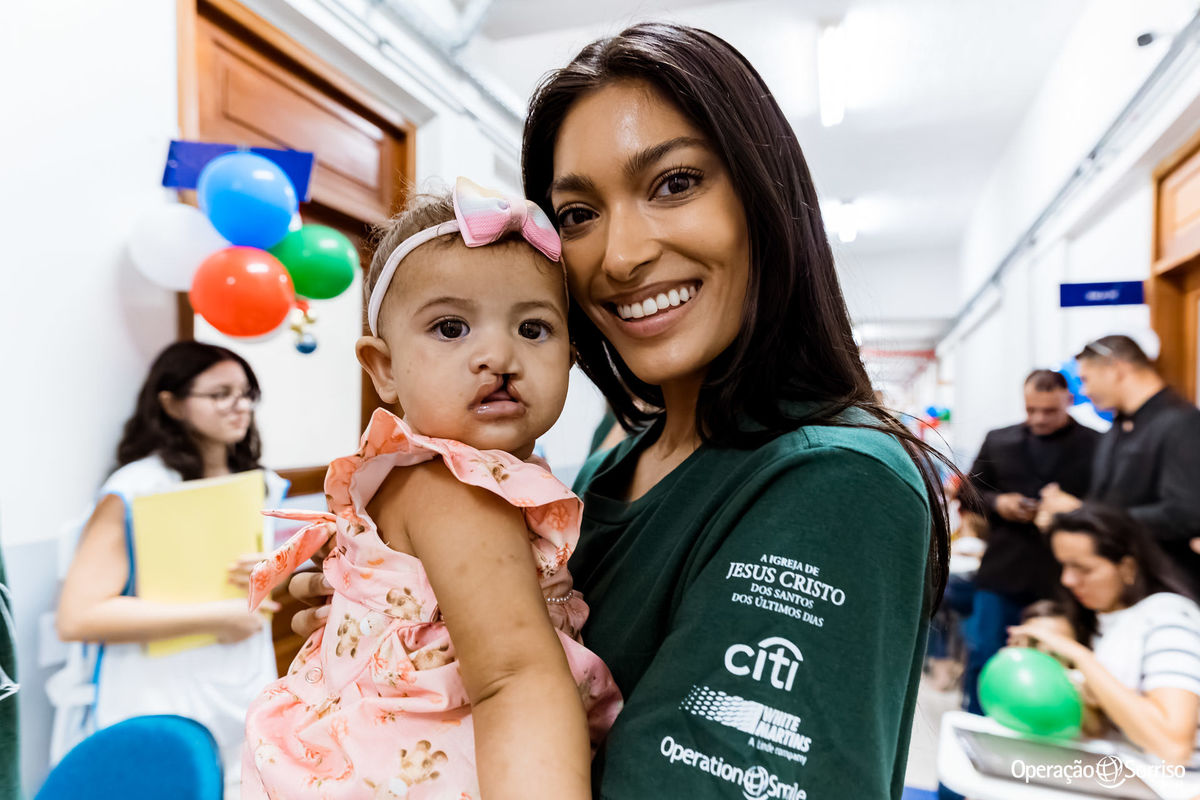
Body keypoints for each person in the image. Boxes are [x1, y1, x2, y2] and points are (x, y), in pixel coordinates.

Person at [289, 22, 953, 799]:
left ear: (764, 198)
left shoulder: (835, 484)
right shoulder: (613, 466)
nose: (622, 253)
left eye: (674, 183)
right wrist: (396, 640)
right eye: (576, 215)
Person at [240, 179, 622, 800]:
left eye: (532, 328)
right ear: (383, 368)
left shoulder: (435, 473)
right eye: (450, 328)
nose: (498, 354)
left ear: (570, 359)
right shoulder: (456, 487)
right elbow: (515, 679)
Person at [54, 341, 286, 796]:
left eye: (245, 393)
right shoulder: (137, 490)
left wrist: (272, 570)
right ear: (172, 403)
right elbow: (78, 616)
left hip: (242, 676)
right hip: (157, 686)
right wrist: (219, 616)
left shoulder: (260, 484)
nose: (239, 406)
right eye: (220, 394)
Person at [1011, 505, 1200, 765]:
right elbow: (1101, 725)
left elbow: (1173, 747)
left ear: (1127, 567)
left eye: (1083, 569)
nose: (1067, 580)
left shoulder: (1168, 619)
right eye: (1063, 566)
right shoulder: (1102, 621)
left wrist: (1078, 656)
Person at [960, 369, 1100, 713]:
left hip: (1065, 578)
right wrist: (999, 503)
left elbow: (1113, 507)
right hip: (1003, 570)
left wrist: (1073, 510)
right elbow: (968, 493)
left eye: (1049, 411)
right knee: (986, 653)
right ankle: (978, 724)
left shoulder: (1097, 445)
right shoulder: (999, 440)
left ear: (1068, 401)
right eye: (1031, 410)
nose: (1038, 418)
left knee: (1061, 663)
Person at [1040, 335, 1200, 589]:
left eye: (1086, 380)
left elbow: (1186, 514)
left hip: (1166, 583)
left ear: (1116, 369)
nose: (1084, 391)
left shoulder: (1182, 423)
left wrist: (1083, 512)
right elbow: (1109, 499)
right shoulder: (1117, 427)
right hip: (1124, 583)